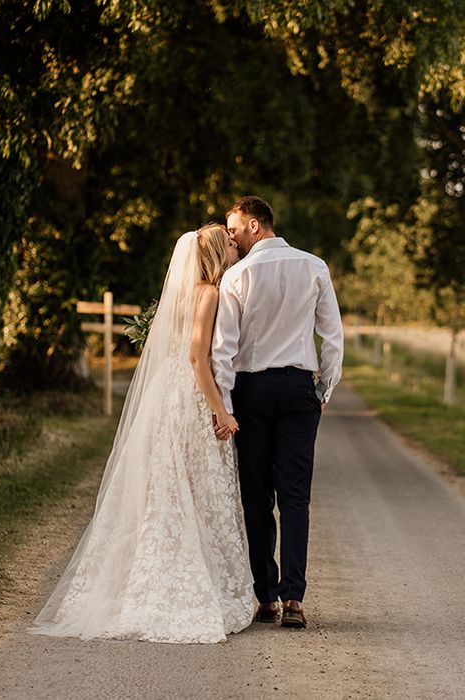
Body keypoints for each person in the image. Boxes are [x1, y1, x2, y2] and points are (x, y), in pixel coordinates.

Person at [29, 224, 255, 643]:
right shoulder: (208, 293)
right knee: (196, 487)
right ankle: (182, 583)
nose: (234, 245)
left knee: (169, 488)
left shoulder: (186, 294)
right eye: (228, 242)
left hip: (166, 395)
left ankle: (152, 574)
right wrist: (221, 411)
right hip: (190, 396)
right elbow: (196, 357)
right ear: (212, 254)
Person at [212, 196, 343, 629]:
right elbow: (332, 334)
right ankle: (294, 601)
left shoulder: (237, 275)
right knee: (295, 497)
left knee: (256, 494)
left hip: (251, 391)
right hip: (298, 389)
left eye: (232, 229)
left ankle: (266, 597)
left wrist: (226, 405)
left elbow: (223, 350)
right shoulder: (315, 266)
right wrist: (325, 386)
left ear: (253, 225)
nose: (229, 236)